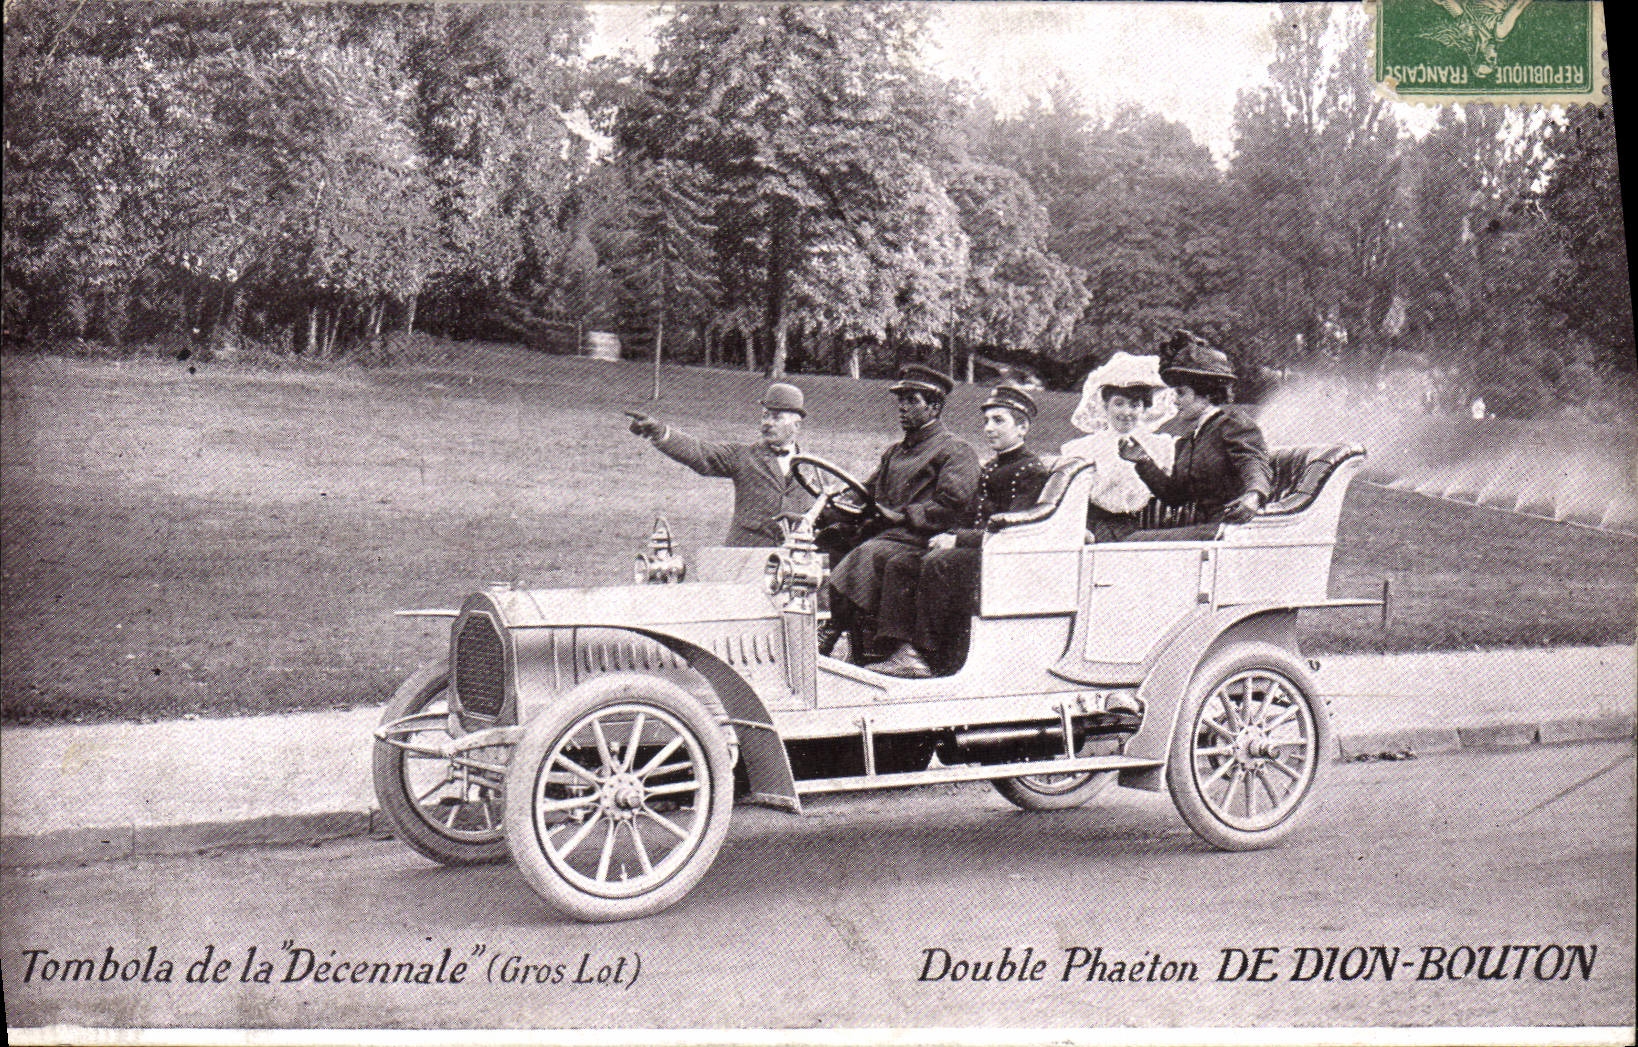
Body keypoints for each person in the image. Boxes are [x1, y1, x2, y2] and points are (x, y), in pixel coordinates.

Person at [868, 385, 1050, 679]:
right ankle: (894, 647)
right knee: (901, 563)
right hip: (981, 548)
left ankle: (923, 654)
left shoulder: (1030, 470)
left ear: (1023, 428)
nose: (988, 428)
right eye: (987, 420)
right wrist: (949, 534)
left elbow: (1013, 530)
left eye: (999, 420)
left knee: (939, 563)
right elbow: (969, 514)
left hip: (1002, 556)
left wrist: (958, 539)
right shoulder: (992, 466)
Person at [820, 364, 980, 662]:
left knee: (868, 554)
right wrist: (831, 507)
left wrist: (905, 516)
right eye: (901, 400)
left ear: (934, 407)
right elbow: (866, 491)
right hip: (890, 534)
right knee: (833, 538)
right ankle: (851, 638)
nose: (902, 407)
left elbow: (953, 504)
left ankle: (834, 631)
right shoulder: (894, 452)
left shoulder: (955, 450)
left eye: (911, 400)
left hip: (924, 538)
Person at [1119, 332, 1272, 538]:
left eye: (1181, 393)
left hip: (1230, 528)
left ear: (1206, 393)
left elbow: (1253, 461)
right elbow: (1175, 497)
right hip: (1204, 530)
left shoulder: (1232, 424)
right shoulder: (1187, 442)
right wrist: (1144, 461)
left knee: (1136, 541)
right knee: (1135, 539)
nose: (1175, 401)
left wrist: (1254, 495)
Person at [626, 383, 815, 548]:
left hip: (793, 562)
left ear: (796, 425)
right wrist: (659, 432)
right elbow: (700, 452)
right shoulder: (742, 455)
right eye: (765, 416)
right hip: (742, 557)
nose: (767, 423)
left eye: (776, 417)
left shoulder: (813, 469)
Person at [1059, 352, 1176, 543]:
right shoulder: (1084, 448)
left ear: (1144, 409)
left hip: (1143, 529)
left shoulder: (1159, 446)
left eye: (1134, 405)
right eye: (1119, 404)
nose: (1126, 412)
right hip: (1096, 529)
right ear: (1105, 406)